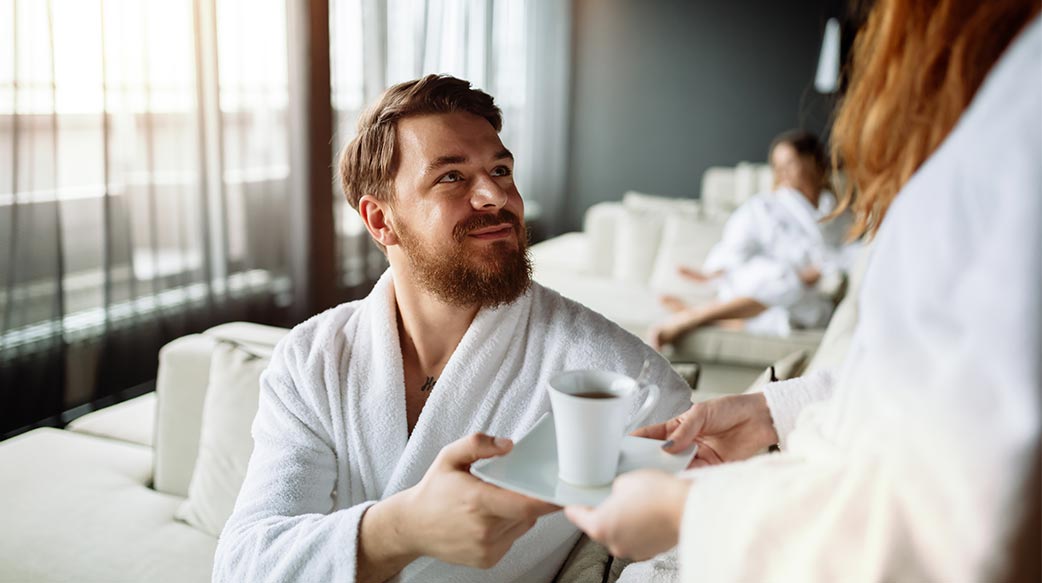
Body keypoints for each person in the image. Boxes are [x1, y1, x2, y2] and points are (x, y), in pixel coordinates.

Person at [567, 1, 1041, 581]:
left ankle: (701, 316)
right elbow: (924, 381)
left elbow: (960, 523)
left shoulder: (1019, 131)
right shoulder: (998, 111)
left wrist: (684, 511)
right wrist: (770, 411)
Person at [212, 75, 692, 582]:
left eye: (501, 170)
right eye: (452, 177)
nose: (495, 195)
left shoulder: (623, 382)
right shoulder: (313, 360)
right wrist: (401, 530)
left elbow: (687, 552)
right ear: (380, 221)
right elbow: (243, 566)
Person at [649, 130, 859, 349]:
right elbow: (734, 247)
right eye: (777, 165)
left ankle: (714, 318)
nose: (782, 172)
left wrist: (819, 269)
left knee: (791, 314)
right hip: (756, 281)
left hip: (806, 294)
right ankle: (692, 317)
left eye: (790, 163)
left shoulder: (838, 212)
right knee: (783, 280)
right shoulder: (763, 206)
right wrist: (709, 274)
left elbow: (849, 253)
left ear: (812, 161)